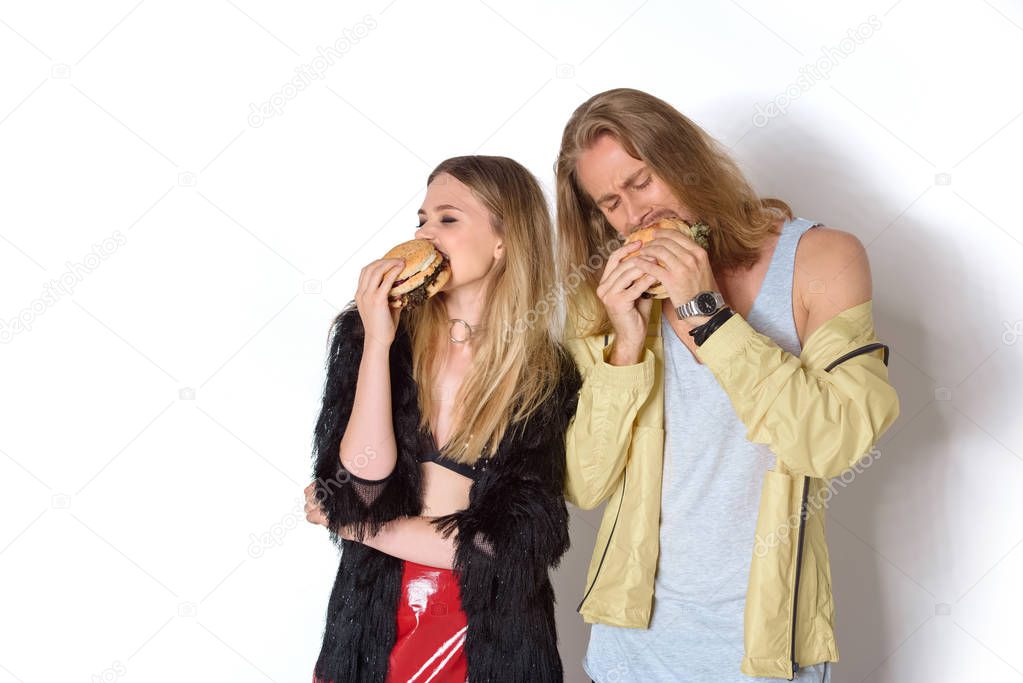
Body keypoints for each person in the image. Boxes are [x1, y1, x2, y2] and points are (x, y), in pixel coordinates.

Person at [555, 88, 901, 681]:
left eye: (642, 182)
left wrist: (706, 314)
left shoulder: (822, 258)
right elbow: (583, 485)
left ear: (684, 159)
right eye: (611, 202)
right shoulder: (611, 298)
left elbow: (833, 444)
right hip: (631, 648)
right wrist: (626, 346)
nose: (635, 214)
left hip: (765, 651)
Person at [304, 155, 582, 683]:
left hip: (489, 645)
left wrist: (356, 526)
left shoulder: (547, 375)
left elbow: (506, 548)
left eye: (448, 219)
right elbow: (359, 490)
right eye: (422, 220)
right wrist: (377, 343)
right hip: (370, 631)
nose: (426, 234)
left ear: (504, 240)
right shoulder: (368, 339)